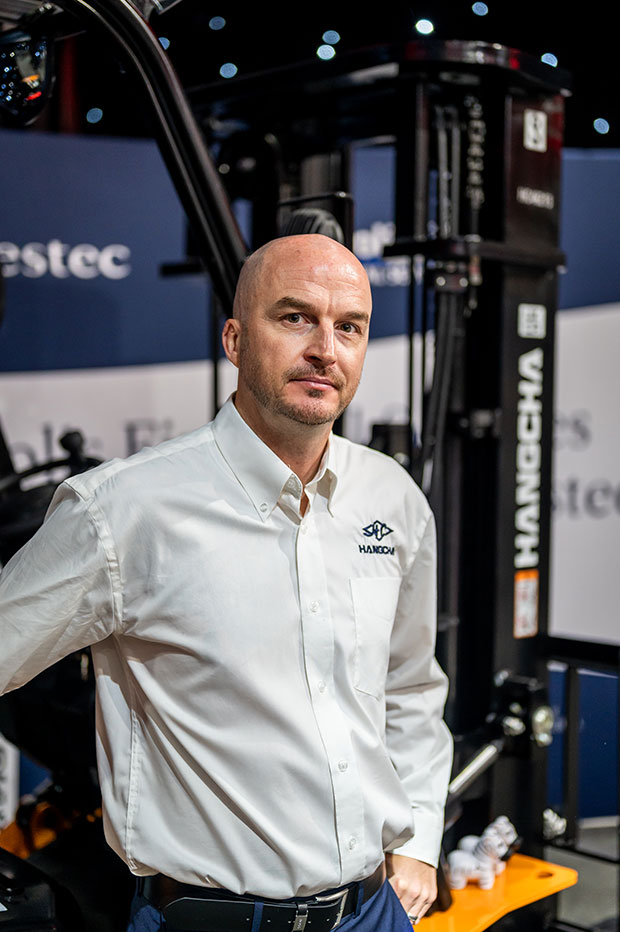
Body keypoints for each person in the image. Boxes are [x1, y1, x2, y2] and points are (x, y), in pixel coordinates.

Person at [0, 234, 453, 932]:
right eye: (295, 318)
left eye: (349, 327)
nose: (325, 349)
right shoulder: (123, 510)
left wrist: (418, 841)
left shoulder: (391, 498)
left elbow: (410, 689)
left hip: (371, 914)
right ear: (235, 340)